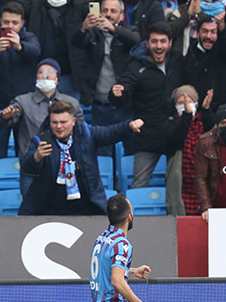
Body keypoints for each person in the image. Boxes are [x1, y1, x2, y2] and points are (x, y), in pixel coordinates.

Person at [19, 100, 143, 215]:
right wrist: (37, 157)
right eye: (54, 122)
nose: (59, 126)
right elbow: (27, 169)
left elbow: (109, 133)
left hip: (87, 208)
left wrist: (129, 126)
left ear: (73, 121)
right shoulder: (41, 140)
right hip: (49, 210)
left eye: (63, 122)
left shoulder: (87, 135)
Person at [110, 22, 185, 189]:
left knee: (179, 186)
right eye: (154, 41)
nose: (159, 46)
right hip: (147, 137)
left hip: (175, 136)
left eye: (163, 41)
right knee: (139, 186)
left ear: (170, 43)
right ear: (147, 43)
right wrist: (117, 93)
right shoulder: (136, 65)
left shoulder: (178, 60)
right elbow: (122, 93)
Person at [0, 59, 83, 194]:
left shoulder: (71, 103)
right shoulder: (23, 101)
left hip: (64, 169)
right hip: (33, 169)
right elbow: (1, 122)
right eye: (41, 72)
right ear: (35, 78)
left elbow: (82, 132)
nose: (45, 76)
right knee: (31, 213)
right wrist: (5, 116)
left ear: (58, 79)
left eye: (50, 72)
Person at [72, 0, 140, 155]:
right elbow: (75, 43)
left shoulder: (129, 31)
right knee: (102, 154)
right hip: (100, 106)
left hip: (125, 105)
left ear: (121, 15)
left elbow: (137, 42)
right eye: (105, 10)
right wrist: (83, 28)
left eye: (113, 11)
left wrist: (113, 29)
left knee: (131, 151)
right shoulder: (91, 34)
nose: (108, 14)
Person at [0, 1, 41, 160]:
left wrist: (20, 46)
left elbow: (36, 51)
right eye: (6, 22)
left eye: (15, 23)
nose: (10, 26)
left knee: (27, 153)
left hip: (24, 106)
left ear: (22, 23)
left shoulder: (29, 37)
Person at [23, 0, 89, 100]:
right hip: (39, 75)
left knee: (69, 113)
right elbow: (13, 9)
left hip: (69, 76)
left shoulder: (80, 5)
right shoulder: (33, 4)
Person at [164, 85, 214, 216]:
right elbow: (177, 138)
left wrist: (207, 110)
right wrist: (186, 115)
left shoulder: (202, 121)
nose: (185, 104)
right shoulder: (170, 123)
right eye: (180, 102)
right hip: (182, 182)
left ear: (196, 103)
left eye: (189, 101)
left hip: (202, 179)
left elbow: (213, 133)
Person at [183, 17, 226, 113]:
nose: (208, 36)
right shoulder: (192, 52)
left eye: (213, 32)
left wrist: (222, 27)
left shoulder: (221, 52)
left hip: (219, 110)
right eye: (205, 31)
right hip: (196, 110)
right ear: (198, 32)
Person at [194, 104, 226, 223]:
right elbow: (200, 178)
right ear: (217, 124)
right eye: (223, 122)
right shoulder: (205, 142)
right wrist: (206, 208)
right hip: (215, 207)